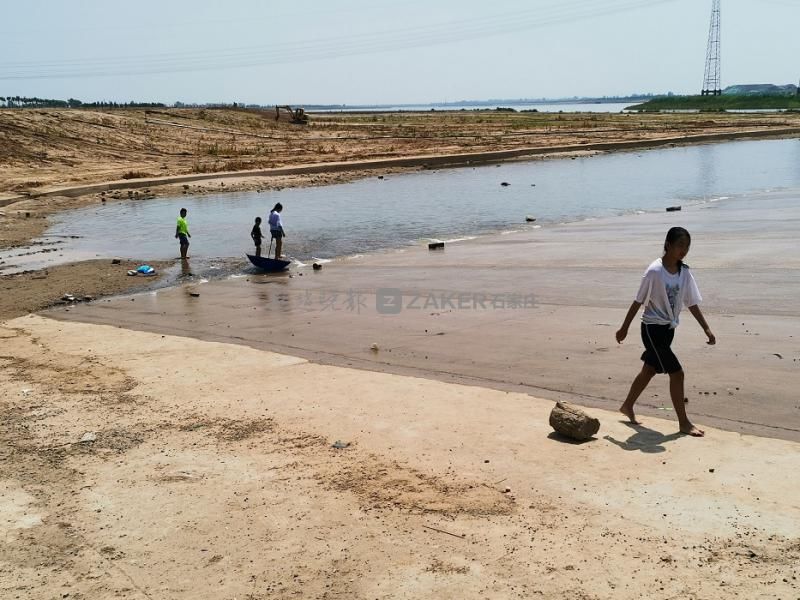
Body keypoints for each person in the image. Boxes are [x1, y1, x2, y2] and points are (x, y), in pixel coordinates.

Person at [615, 227, 715, 437]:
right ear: (668, 245)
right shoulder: (654, 271)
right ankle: (684, 422)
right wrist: (624, 328)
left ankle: (627, 405)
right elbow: (638, 300)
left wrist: (706, 328)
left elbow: (691, 303)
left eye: (687, 246)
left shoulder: (684, 272)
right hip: (651, 329)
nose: (684, 250)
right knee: (677, 373)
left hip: (668, 330)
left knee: (649, 370)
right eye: (680, 245)